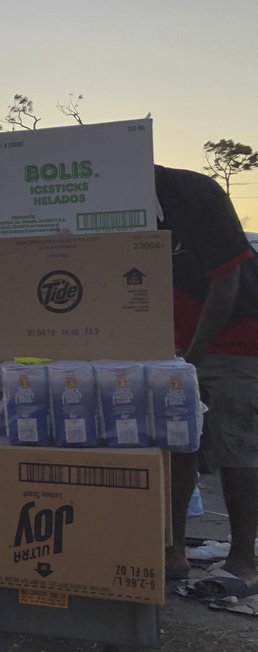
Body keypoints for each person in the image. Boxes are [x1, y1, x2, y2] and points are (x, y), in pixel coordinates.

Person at [156, 164, 258, 598]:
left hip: (234, 336)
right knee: (177, 445)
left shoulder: (194, 193)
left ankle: (243, 561)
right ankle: (172, 550)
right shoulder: (110, 200)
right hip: (169, 342)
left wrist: (191, 361)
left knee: (236, 443)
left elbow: (228, 281)